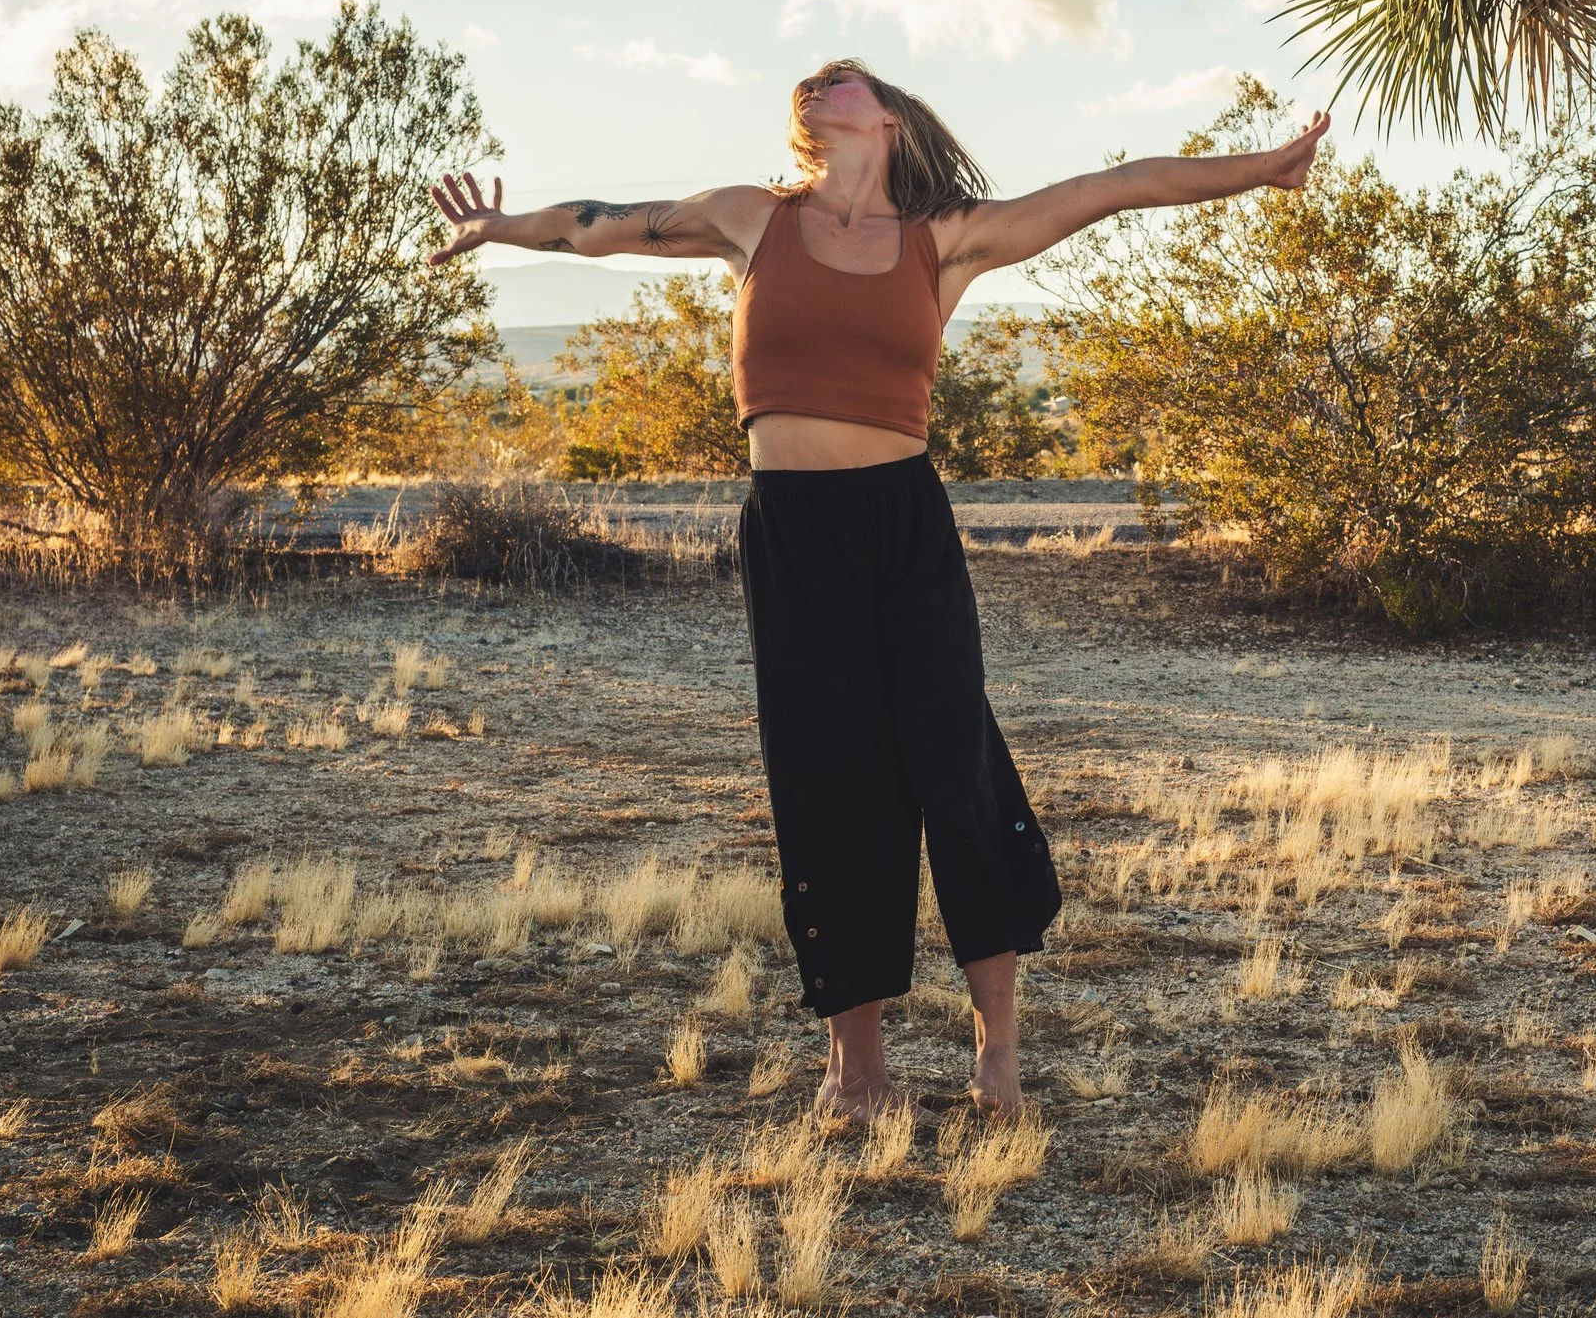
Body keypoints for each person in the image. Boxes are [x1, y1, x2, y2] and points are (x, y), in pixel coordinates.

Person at [428, 60, 1327, 1116]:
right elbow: (599, 224)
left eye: (841, 75)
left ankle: (998, 1053)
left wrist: (1264, 169)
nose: (814, 81)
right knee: (828, 789)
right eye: (805, 79)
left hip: (904, 525)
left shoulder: (939, 240)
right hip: (792, 536)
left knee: (954, 770)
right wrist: (501, 229)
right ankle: (857, 1072)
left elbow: (1111, 187)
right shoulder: (747, 219)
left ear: (888, 116)